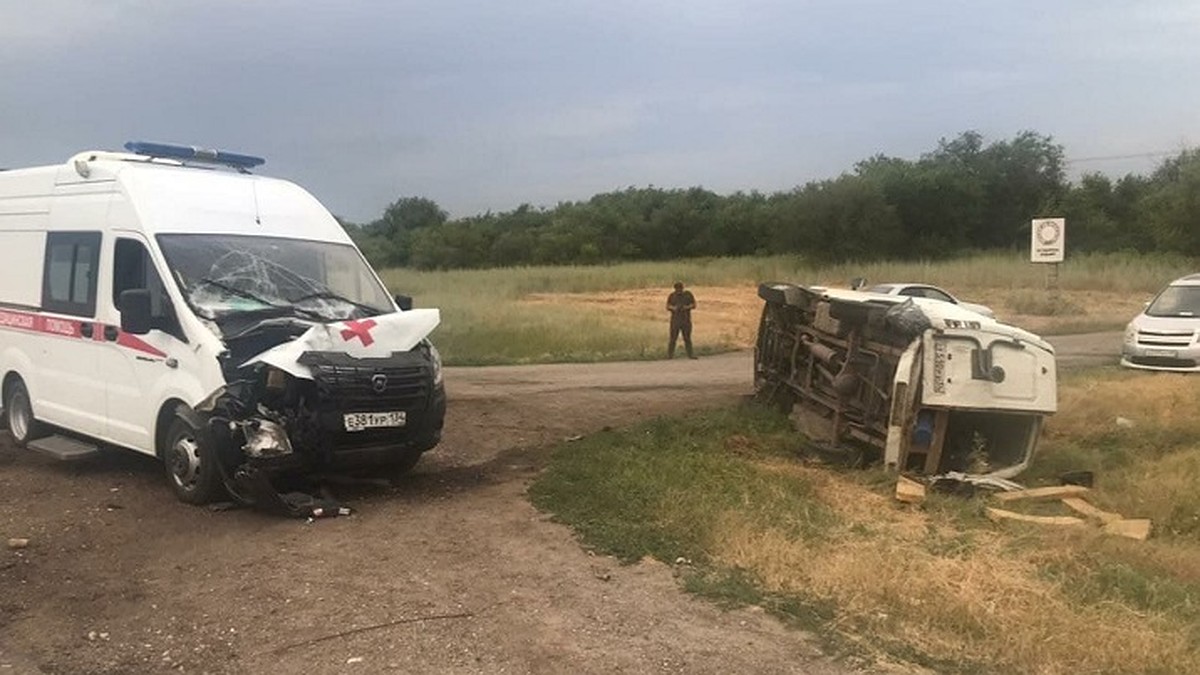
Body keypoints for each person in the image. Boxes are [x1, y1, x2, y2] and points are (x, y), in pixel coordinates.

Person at [666, 281, 697, 359]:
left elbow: (694, 305)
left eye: (680, 289)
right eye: (677, 289)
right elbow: (667, 306)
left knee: (687, 338)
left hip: (685, 320)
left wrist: (686, 307)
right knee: (673, 338)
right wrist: (674, 308)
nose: (679, 290)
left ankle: (690, 355)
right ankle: (670, 355)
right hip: (675, 321)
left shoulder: (688, 295)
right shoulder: (672, 296)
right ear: (675, 289)